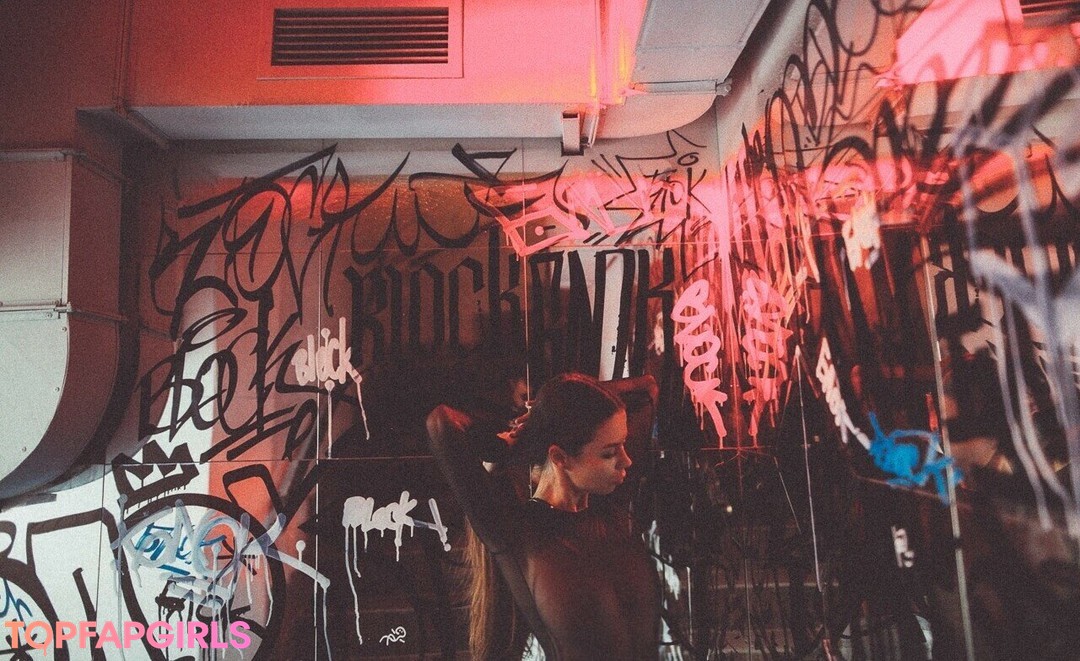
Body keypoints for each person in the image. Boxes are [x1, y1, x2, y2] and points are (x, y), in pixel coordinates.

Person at [426, 372, 661, 660]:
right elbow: (442, 423)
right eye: (609, 453)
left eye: (623, 444)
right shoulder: (516, 531)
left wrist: (551, 407)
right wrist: (514, 440)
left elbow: (647, 388)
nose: (626, 460)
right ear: (560, 457)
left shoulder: (610, 506)